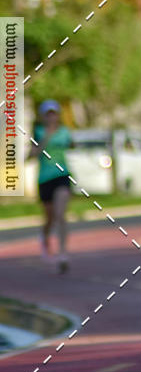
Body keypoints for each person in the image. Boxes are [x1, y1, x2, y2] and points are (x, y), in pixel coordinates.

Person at [30, 99, 72, 273]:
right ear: (43, 117)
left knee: (61, 214)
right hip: (44, 178)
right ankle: (45, 236)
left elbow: (72, 146)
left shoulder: (64, 132)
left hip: (62, 176)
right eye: (48, 114)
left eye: (54, 113)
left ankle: (63, 254)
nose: (51, 117)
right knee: (50, 218)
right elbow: (32, 155)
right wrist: (46, 136)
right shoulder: (38, 132)